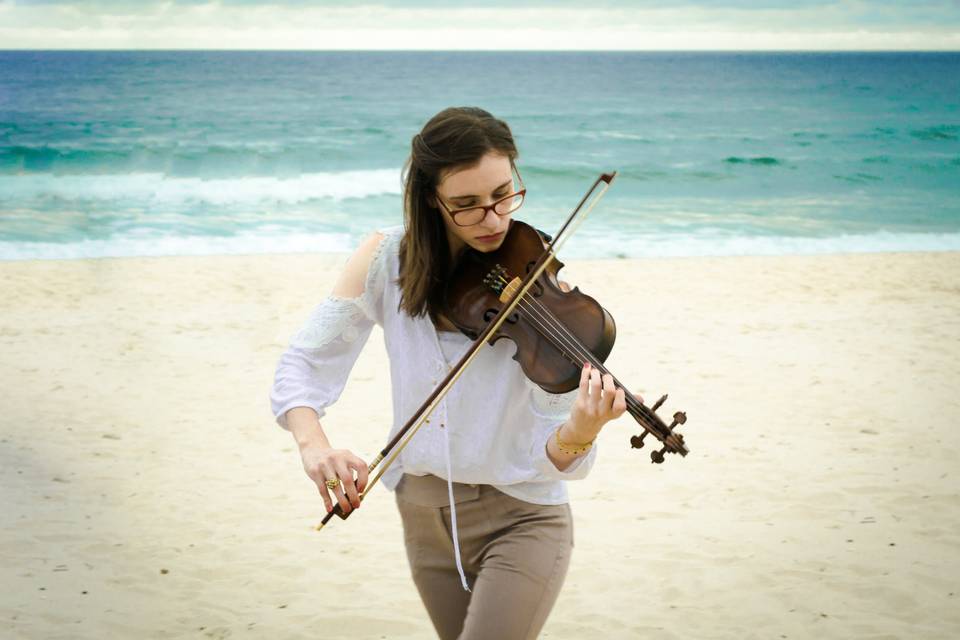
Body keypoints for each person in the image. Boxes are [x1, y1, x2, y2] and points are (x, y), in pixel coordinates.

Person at [270, 106, 635, 640]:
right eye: (466, 205)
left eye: (504, 194)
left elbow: (553, 460)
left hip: (524, 517)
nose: (494, 219)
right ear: (429, 200)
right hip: (423, 516)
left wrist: (581, 432)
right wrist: (314, 446)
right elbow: (304, 362)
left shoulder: (535, 279)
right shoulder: (384, 260)